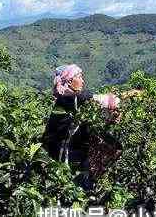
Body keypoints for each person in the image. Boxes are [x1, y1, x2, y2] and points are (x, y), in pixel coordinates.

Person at [42, 64, 122, 192]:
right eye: (79, 77)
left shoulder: (66, 98)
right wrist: (131, 94)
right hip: (63, 154)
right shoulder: (74, 97)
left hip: (60, 150)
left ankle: (86, 181)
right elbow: (106, 101)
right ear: (69, 81)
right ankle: (84, 182)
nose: (82, 81)